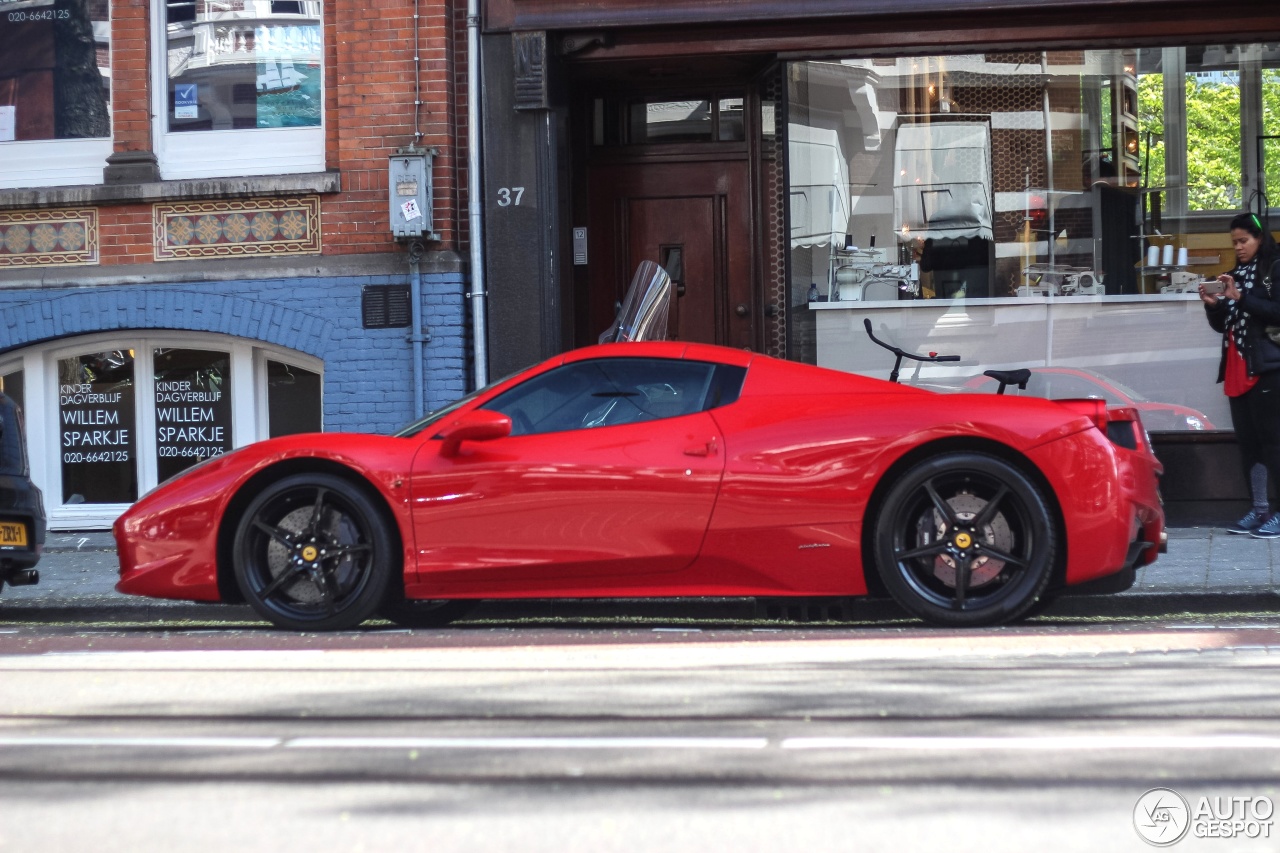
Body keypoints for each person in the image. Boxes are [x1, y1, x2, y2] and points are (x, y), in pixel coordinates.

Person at [1200, 213, 1280, 537]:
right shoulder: (1233, 274)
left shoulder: (1273, 269)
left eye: (1244, 241)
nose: (1239, 247)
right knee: (1249, 444)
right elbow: (1224, 325)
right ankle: (1259, 510)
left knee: (1273, 443)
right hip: (1238, 368)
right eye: (1234, 242)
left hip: (1267, 367)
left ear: (1259, 238)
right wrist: (1213, 305)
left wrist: (1241, 297)